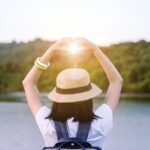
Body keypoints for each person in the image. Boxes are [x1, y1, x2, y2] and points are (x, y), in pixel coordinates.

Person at [22, 38, 123, 149]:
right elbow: (116, 81)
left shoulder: (47, 124)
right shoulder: (100, 123)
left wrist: (51, 50)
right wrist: (95, 49)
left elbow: (28, 83)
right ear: (88, 97)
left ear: (58, 97)